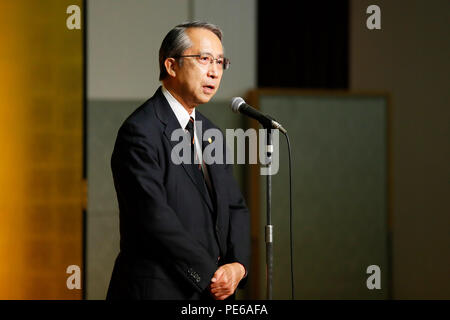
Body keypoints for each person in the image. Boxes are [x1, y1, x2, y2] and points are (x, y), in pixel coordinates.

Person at [106, 21, 250, 300]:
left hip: (212, 292)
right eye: (204, 59)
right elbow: (154, 218)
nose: (214, 71)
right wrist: (212, 275)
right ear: (171, 66)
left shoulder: (211, 133)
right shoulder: (140, 130)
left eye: (220, 62)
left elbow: (235, 207)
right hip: (158, 289)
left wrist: (238, 266)